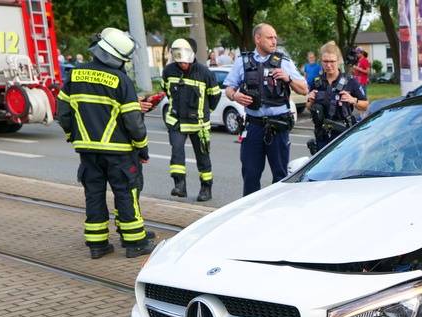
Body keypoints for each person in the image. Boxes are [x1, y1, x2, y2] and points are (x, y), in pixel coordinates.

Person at [57, 28, 156, 259]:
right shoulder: (121, 81)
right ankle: (135, 242)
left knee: (94, 194)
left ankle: (97, 244)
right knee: (125, 194)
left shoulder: (75, 74)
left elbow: (62, 112)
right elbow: (133, 122)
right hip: (119, 152)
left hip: (87, 151)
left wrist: (74, 136)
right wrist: (142, 147)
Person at [224, 23, 308, 196]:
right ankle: (249, 214)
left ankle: (277, 213)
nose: (274, 41)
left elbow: (304, 89)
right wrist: (235, 96)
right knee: (250, 174)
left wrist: (288, 78)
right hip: (253, 127)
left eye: (275, 37)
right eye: (270, 37)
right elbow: (229, 88)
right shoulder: (243, 61)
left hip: (278, 127)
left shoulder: (283, 62)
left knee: (280, 175)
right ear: (258, 38)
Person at [162, 38, 221, 202]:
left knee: (203, 158)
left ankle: (206, 188)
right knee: (177, 152)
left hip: (199, 124)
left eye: (185, 63)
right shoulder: (168, 71)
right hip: (176, 121)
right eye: (179, 63)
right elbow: (167, 91)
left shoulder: (205, 73)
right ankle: (180, 185)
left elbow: (215, 96)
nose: (183, 66)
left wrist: (204, 111)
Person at [306, 41, 368, 154]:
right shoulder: (316, 82)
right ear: (321, 61)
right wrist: (309, 101)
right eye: (325, 61)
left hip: (342, 136)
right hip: (322, 136)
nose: (328, 65)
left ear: (339, 61)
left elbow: (365, 105)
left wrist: (353, 100)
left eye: (332, 61)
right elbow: (309, 107)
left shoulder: (350, 81)